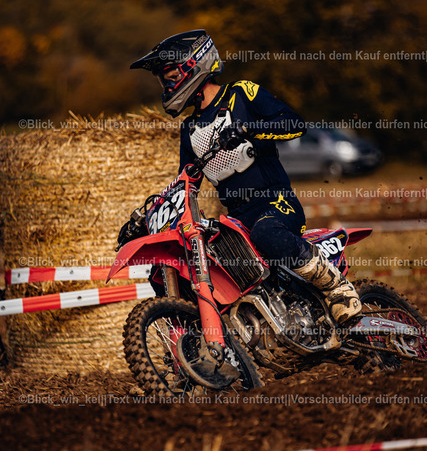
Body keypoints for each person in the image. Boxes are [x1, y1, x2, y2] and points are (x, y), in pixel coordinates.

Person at [129, 29, 361, 326]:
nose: (168, 85)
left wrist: (248, 129)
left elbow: (294, 124)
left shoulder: (241, 92)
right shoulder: (189, 129)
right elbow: (185, 183)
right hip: (236, 219)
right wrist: (146, 221)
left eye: (171, 76)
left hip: (275, 202)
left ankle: (337, 287)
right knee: (195, 262)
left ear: (194, 64)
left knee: (267, 234)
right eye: (164, 80)